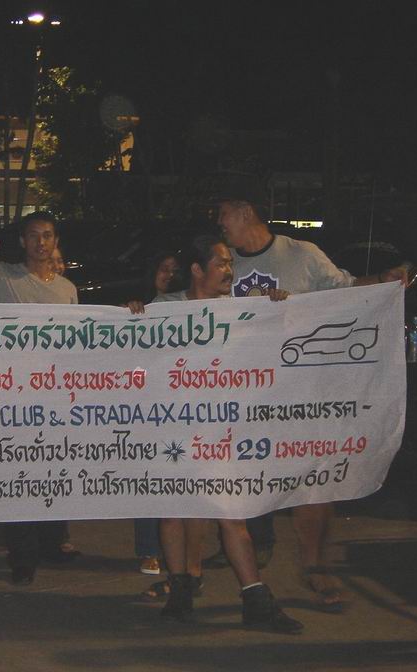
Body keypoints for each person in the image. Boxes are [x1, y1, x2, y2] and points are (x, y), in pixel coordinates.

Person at [216, 176, 408, 609]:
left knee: (312, 476)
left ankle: (315, 566)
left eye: (224, 214)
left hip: (300, 390)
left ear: (246, 212)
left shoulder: (301, 255)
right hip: (242, 390)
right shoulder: (223, 261)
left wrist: (383, 280)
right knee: (241, 469)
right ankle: (247, 548)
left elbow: (345, 289)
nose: (220, 223)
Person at [134, 235, 301, 632]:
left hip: (219, 432)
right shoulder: (166, 309)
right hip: (173, 429)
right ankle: (181, 593)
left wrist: (275, 312)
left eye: (230, 264)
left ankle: (255, 598)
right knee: (173, 513)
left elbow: (270, 350)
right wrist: (132, 315)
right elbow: (137, 352)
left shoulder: (239, 311)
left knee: (230, 513)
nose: (230, 271)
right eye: (222, 263)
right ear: (197, 270)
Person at [0, 183, 79, 585]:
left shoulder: (68, 289)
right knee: (20, 473)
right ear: (23, 242)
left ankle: (52, 542)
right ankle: (23, 556)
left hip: (56, 396)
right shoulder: (5, 276)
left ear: (55, 241)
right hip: (15, 396)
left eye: (48, 236)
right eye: (34, 236)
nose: (41, 242)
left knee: (54, 469)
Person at [131, 251, 180, 577]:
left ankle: (179, 551)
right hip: (150, 405)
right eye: (163, 269)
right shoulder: (141, 307)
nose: (169, 277)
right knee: (151, 477)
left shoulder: (192, 305)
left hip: (184, 405)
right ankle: (150, 549)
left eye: (174, 271)